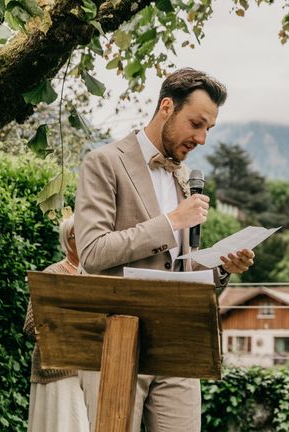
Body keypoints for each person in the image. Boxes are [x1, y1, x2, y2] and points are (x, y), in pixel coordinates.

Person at [74, 67, 255, 432]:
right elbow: (92, 252)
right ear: (167, 107)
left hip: (178, 343)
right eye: (196, 124)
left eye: (209, 129)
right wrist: (171, 221)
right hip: (117, 340)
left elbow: (179, 267)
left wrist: (221, 268)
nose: (202, 138)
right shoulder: (104, 163)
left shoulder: (186, 177)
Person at [24, 215, 90, 432]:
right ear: (66, 240)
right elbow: (31, 324)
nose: (82, 238)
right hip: (58, 372)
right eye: (76, 234)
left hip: (89, 370)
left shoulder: (95, 275)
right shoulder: (53, 274)